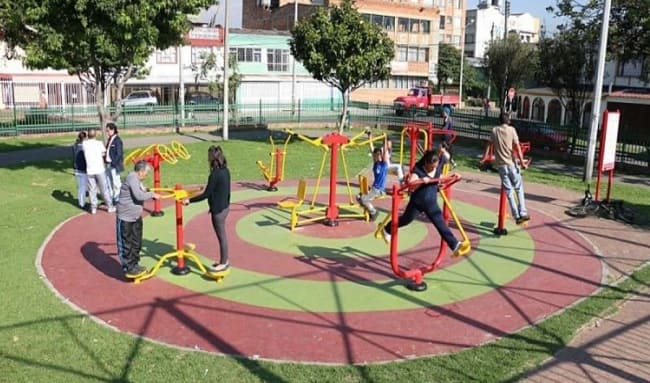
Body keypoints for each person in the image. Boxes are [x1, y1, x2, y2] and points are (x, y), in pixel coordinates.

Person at [381, 150, 470, 257]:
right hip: (417, 202)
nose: (434, 168)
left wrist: (452, 177)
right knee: (406, 220)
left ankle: (454, 245)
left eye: (435, 166)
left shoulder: (436, 168)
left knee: (440, 223)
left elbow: (439, 176)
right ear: (426, 163)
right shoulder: (418, 170)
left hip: (431, 203)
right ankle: (387, 228)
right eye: (432, 167)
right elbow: (411, 184)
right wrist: (422, 180)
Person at [183, 145, 231, 272]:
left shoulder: (214, 175)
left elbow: (206, 194)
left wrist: (189, 200)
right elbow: (224, 190)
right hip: (225, 207)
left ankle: (223, 263)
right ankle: (224, 260)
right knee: (222, 236)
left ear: (212, 159)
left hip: (218, 211)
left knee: (222, 237)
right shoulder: (225, 171)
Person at [116, 160, 161, 278]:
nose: (146, 176)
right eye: (146, 173)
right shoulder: (132, 178)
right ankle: (128, 267)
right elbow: (139, 196)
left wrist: (149, 191)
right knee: (126, 243)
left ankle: (134, 264)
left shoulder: (137, 180)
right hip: (125, 217)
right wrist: (152, 195)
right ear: (141, 172)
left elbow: (142, 190)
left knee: (137, 242)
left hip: (135, 217)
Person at [485, 112, 530, 225]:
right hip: (511, 163)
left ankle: (516, 216)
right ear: (508, 120)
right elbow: (517, 147)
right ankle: (523, 212)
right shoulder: (512, 130)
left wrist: (484, 157)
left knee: (509, 192)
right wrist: (522, 163)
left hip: (501, 165)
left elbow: (489, 144)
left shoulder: (494, 130)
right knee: (518, 188)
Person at [83, 128, 115, 214]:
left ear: (88, 135)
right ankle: (110, 206)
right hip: (99, 169)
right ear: (95, 135)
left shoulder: (84, 144)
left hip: (90, 170)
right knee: (104, 189)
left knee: (92, 189)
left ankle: (93, 208)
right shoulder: (99, 143)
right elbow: (103, 153)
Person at [358, 139, 388, 222]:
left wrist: (384, 141)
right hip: (374, 188)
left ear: (381, 155)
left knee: (363, 199)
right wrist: (369, 136)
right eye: (375, 155)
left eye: (379, 155)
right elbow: (372, 148)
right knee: (359, 197)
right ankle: (369, 210)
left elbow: (385, 151)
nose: (377, 156)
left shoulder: (384, 164)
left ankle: (374, 212)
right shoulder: (375, 163)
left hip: (379, 189)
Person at [104, 122, 124, 203]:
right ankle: (111, 198)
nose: (107, 132)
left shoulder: (117, 140)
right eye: (106, 131)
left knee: (116, 182)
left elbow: (119, 154)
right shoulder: (110, 139)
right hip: (108, 164)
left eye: (108, 130)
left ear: (113, 130)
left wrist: (114, 163)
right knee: (108, 181)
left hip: (113, 165)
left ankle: (117, 198)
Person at [72, 131, 88, 210]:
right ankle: (82, 204)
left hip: (76, 168)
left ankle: (81, 202)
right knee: (82, 187)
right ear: (84, 138)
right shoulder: (84, 147)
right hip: (82, 169)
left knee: (80, 187)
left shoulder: (75, 145)